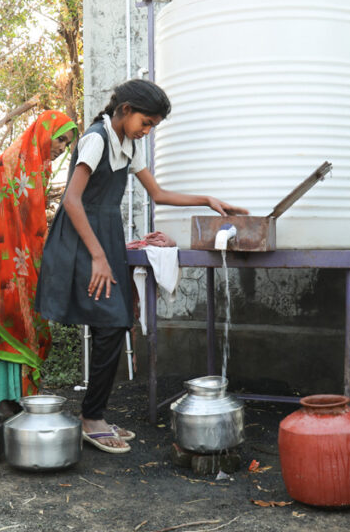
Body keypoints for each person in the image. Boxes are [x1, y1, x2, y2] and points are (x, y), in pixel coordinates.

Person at [35, 79, 248, 453]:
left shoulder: (129, 145)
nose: (147, 131)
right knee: (112, 322)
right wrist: (98, 256)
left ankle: (94, 414)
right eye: (145, 122)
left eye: (152, 126)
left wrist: (208, 199)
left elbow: (159, 193)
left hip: (106, 234)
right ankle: (92, 418)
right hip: (83, 236)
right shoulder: (97, 138)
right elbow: (71, 199)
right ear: (125, 109)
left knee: (115, 323)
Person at [0, 110, 78, 410]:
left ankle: (17, 395)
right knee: (12, 316)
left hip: (23, 256)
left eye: (67, 143)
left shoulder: (33, 165)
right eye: (61, 139)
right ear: (44, 132)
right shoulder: (14, 160)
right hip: (3, 254)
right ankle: (5, 395)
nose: (62, 148)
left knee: (25, 317)